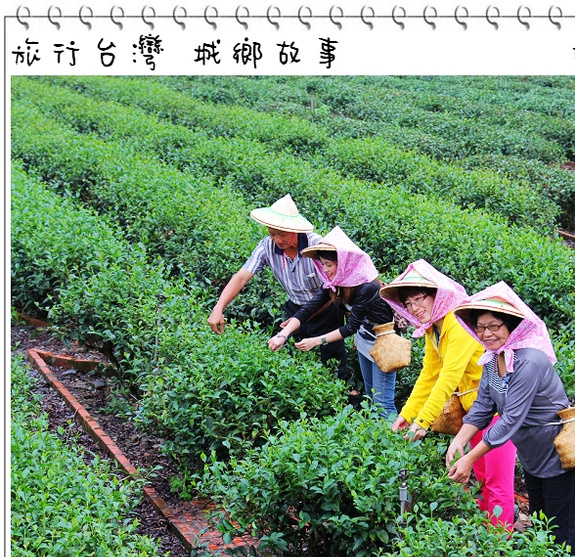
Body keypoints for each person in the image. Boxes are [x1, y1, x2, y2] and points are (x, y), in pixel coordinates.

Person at [446, 281, 575, 555]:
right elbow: (483, 406)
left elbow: (510, 419)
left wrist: (470, 458)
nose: (486, 333)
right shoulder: (492, 359)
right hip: (533, 459)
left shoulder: (529, 361)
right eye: (481, 327)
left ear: (510, 327)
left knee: (560, 541)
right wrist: (459, 441)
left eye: (494, 326)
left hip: (559, 459)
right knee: (541, 532)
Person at [380, 260, 517, 528]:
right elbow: (429, 375)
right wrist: (408, 414)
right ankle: (488, 539)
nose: (415, 308)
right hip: (475, 413)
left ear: (437, 295)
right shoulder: (434, 327)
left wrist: (423, 421)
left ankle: (502, 543)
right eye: (408, 303)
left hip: (499, 411)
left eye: (420, 299)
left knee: (497, 483)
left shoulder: (457, 323)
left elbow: (448, 377)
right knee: (482, 479)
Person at [207, 194, 347, 381]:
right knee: (293, 362)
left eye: (282, 234)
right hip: (294, 307)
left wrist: (300, 318)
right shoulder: (267, 246)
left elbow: (333, 290)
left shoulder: (316, 246)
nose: (277, 239)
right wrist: (218, 308)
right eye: (272, 234)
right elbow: (241, 278)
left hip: (326, 311)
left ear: (295, 230)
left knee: (332, 365)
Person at [268, 226, 398, 419]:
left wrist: (316, 341)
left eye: (329, 265)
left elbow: (350, 327)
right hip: (365, 340)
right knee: (373, 398)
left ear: (343, 263)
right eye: (323, 265)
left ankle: (396, 437)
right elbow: (309, 307)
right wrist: (283, 334)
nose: (325, 270)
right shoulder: (336, 283)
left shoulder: (366, 286)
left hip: (384, 343)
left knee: (383, 403)